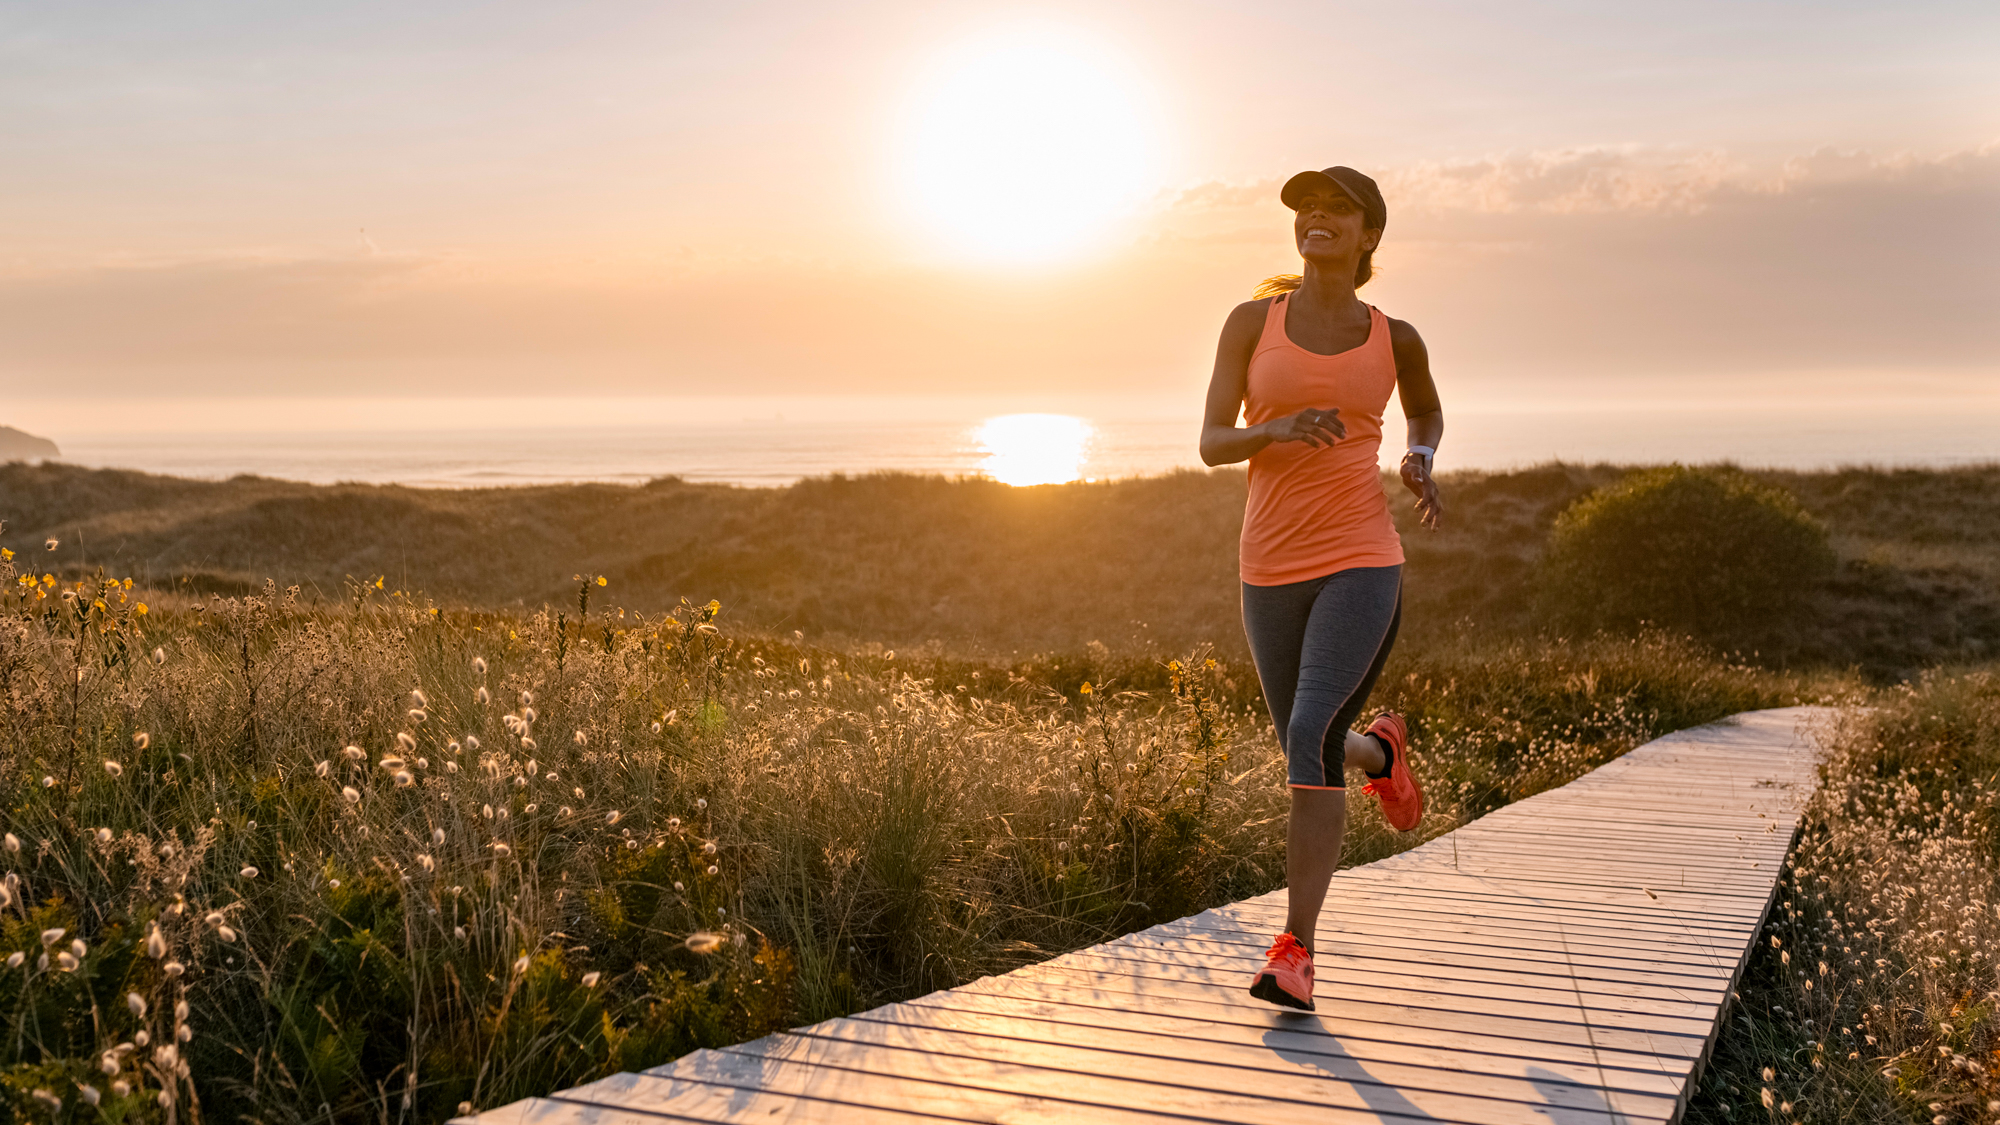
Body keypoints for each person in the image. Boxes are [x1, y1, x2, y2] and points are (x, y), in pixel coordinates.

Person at [1198, 165, 1443, 1012]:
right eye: (1307, 207)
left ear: (1369, 234)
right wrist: (1273, 428)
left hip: (1361, 556)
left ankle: (1296, 950)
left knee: (1307, 730)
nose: (1317, 217)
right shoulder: (1250, 323)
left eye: (1337, 208)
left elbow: (1427, 411)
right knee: (1308, 743)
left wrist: (1421, 456)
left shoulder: (1394, 336)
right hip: (1267, 563)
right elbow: (1210, 440)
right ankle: (1381, 753)